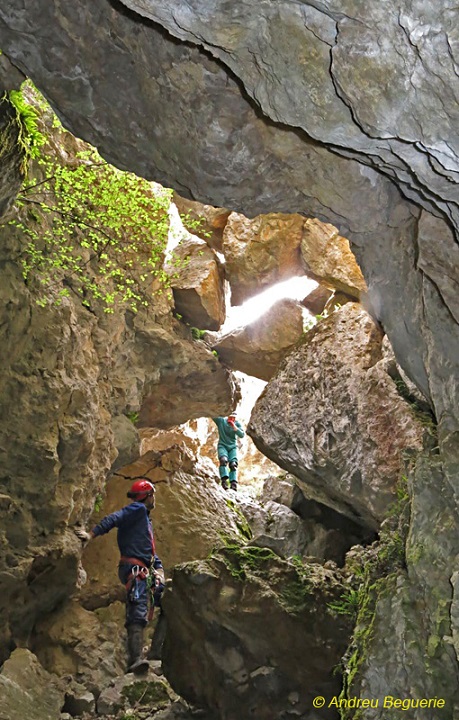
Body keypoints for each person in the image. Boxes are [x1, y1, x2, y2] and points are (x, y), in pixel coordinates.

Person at [75, 478, 165, 674]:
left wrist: (159, 571)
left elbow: (149, 552)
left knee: (166, 599)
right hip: (135, 569)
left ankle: (155, 653)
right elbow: (114, 518)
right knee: (138, 607)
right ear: (147, 496)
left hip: (144, 569)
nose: (154, 499)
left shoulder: (144, 520)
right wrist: (91, 534)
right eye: (153, 495)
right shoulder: (138, 510)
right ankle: (136, 660)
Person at [212, 412, 245, 491]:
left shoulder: (237, 424)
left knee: (233, 464)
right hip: (222, 445)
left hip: (233, 447)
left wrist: (234, 427)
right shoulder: (221, 421)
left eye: (234, 418)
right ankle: (224, 481)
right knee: (223, 460)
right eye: (231, 417)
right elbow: (212, 414)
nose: (232, 419)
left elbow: (242, 435)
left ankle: (233, 484)